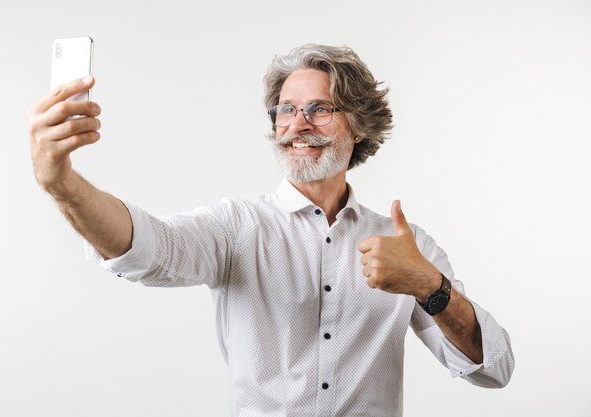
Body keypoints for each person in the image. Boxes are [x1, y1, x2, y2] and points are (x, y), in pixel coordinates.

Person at [27, 44, 514, 416]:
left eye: (321, 109)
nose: (298, 124)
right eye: (286, 108)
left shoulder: (406, 245)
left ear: (359, 126)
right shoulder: (237, 227)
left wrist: (430, 286)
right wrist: (63, 184)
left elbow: (493, 369)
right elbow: (148, 250)